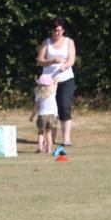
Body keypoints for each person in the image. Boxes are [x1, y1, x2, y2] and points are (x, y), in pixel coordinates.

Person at [35, 17, 76, 147]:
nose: (56, 33)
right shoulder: (46, 42)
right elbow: (40, 60)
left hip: (65, 79)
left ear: (63, 30)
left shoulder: (69, 42)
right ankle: (49, 139)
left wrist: (65, 66)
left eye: (58, 31)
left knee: (64, 107)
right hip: (48, 82)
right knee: (49, 110)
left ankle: (66, 138)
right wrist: (52, 61)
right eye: (54, 31)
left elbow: (71, 60)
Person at [29, 74, 58, 153]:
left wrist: (32, 116)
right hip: (52, 115)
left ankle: (40, 147)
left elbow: (36, 107)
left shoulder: (38, 93)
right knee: (49, 133)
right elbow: (55, 85)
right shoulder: (53, 92)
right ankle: (49, 149)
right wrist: (56, 80)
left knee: (40, 132)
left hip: (42, 115)